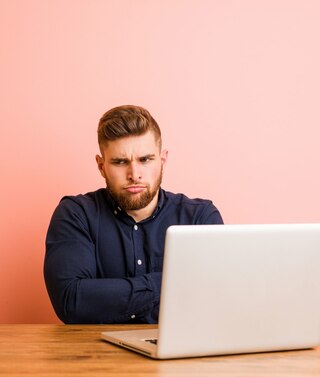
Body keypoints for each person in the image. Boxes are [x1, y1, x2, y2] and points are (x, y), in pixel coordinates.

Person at [44, 105, 223, 324]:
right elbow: (71, 302)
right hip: (96, 355)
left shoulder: (200, 219)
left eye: (145, 160)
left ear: (162, 160)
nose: (134, 174)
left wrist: (111, 297)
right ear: (101, 166)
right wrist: (170, 284)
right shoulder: (76, 215)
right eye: (120, 162)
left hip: (181, 356)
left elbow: (215, 300)